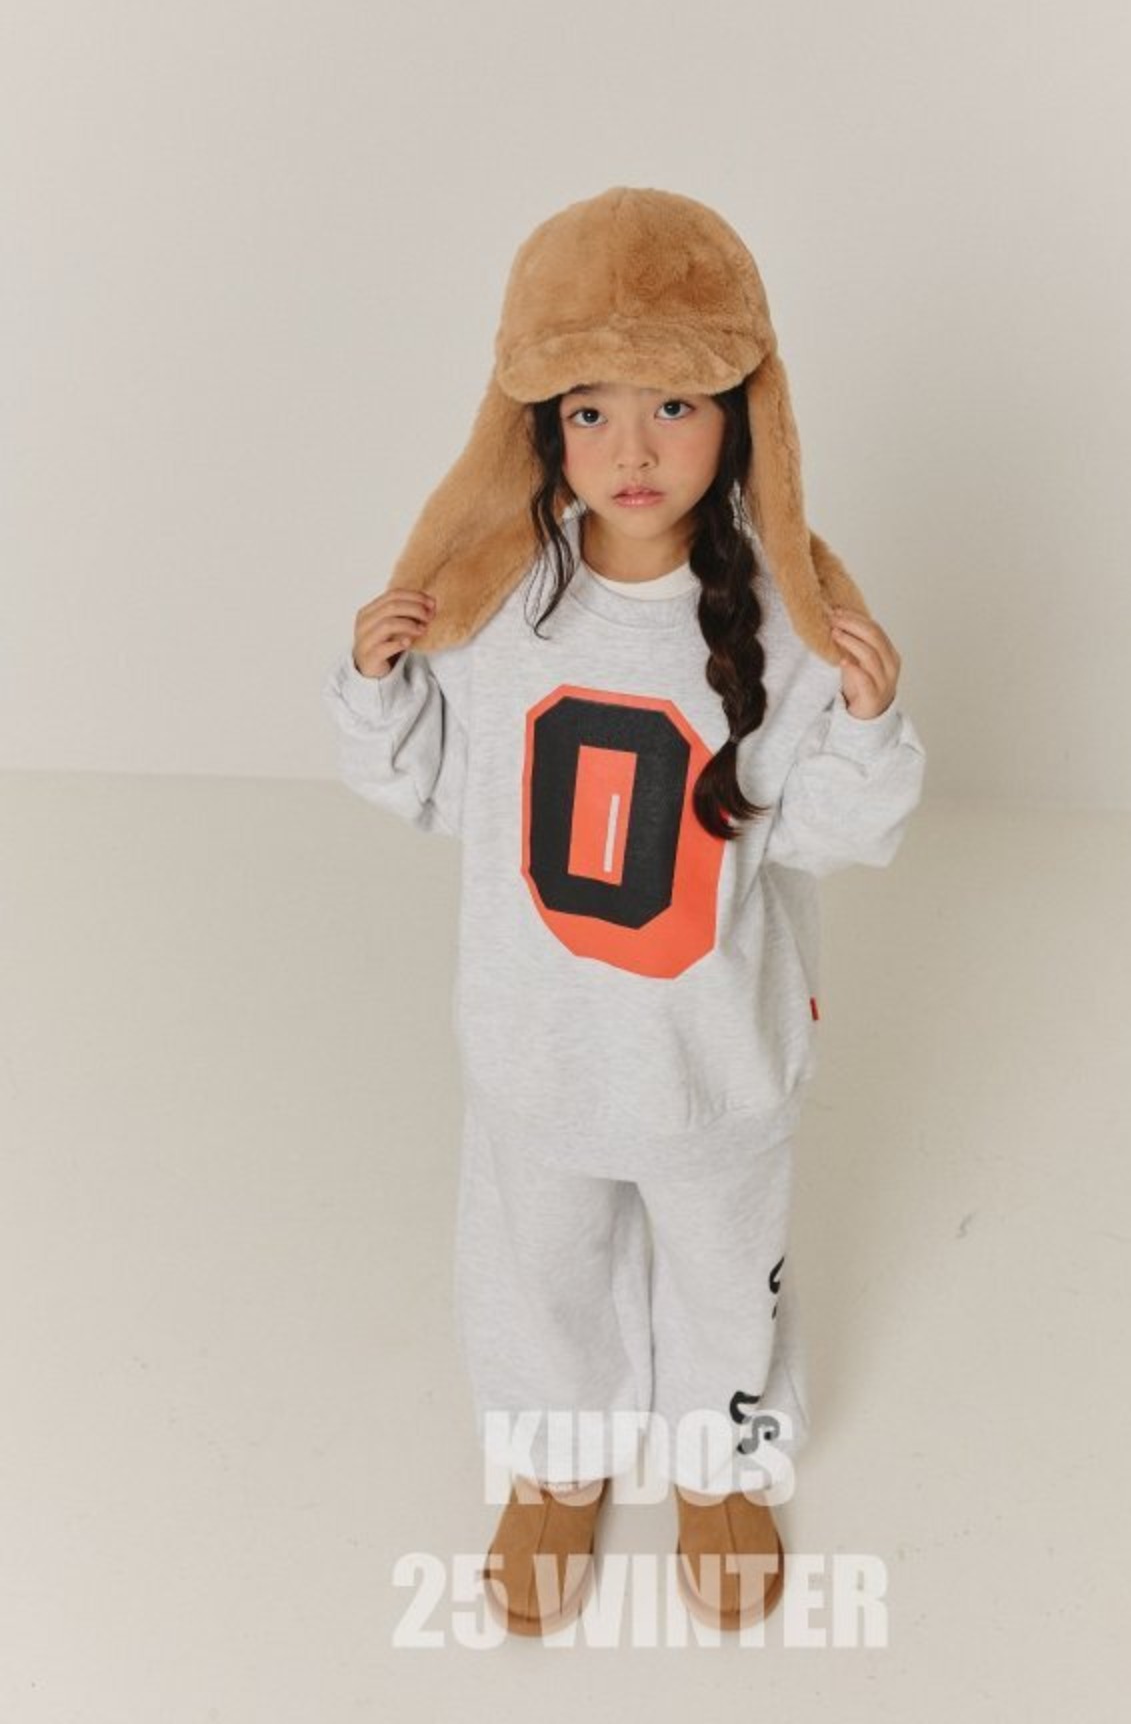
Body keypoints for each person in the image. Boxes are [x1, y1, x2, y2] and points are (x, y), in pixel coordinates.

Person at [321, 186, 926, 1637]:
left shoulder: (784, 622)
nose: (633, 450)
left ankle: (720, 1461)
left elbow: (831, 836)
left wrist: (864, 722)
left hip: (712, 1054)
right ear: (536, 425)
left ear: (741, 414)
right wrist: (381, 686)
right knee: (539, 1268)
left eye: (673, 405)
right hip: (539, 1044)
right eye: (590, 411)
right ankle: (555, 1461)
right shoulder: (496, 607)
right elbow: (432, 795)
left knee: (724, 1270)